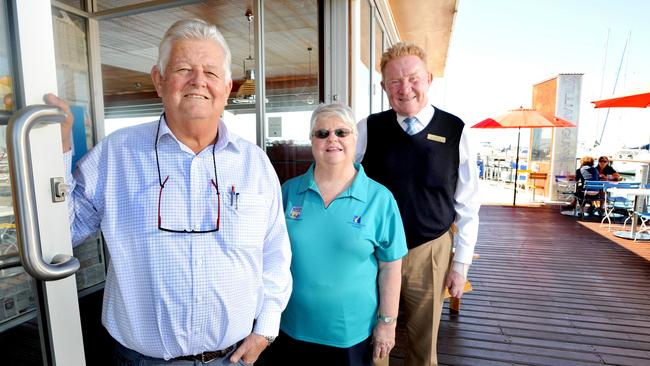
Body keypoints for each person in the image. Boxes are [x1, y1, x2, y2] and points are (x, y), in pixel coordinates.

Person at [46, 18, 292, 365]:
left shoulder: (256, 164)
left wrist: (266, 328)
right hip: (141, 360)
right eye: (183, 68)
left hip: (233, 357)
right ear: (159, 80)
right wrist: (55, 149)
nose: (198, 81)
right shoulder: (116, 155)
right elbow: (63, 231)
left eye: (210, 71)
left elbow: (275, 255)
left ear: (227, 86)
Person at [355, 42, 480, 366]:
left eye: (413, 78)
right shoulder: (368, 128)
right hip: (375, 253)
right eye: (394, 81)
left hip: (431, 252)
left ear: (429, 79)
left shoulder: (456, 131)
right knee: (374, 342)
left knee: (423, 347)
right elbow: (343, 180)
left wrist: (460, 264)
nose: (404, 88)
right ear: (384, 87)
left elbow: (468, 206)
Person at [262, 103, 407, 366]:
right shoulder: (288, 192)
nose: (332, 139)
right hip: (291, 328)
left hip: (351, 335)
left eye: (342, 132)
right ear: (311, 140)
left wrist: (387, 323)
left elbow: (390, 268)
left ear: (355, 138)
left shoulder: (380, 199)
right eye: (322, 133)